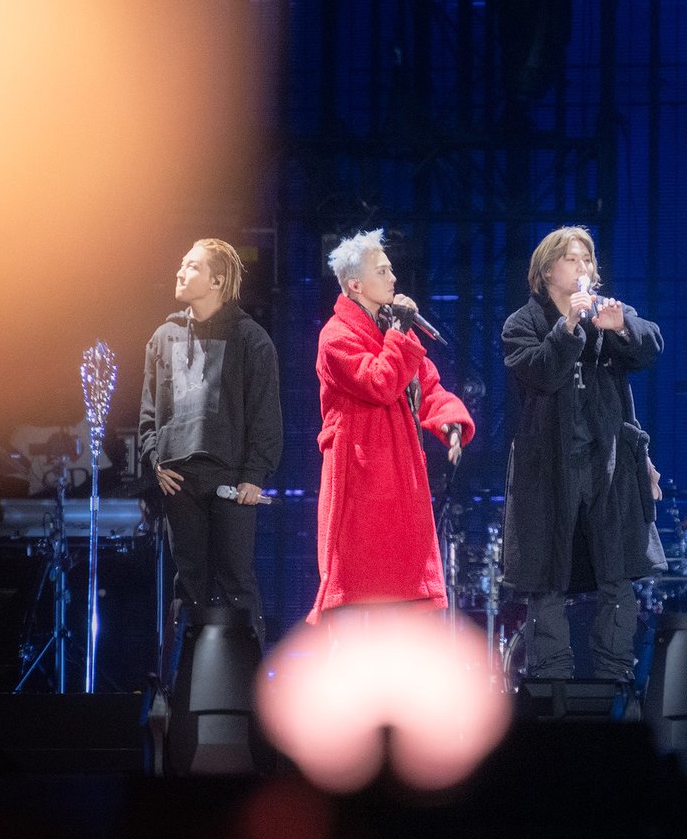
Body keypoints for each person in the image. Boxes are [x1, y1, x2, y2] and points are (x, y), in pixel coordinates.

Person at [500, 225, 664, 687]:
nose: (583, 267)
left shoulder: (607, 312)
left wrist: (622, 327)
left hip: (607, 464)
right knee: (547, 574)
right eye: (572, 259)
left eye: (588, 259)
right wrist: (568, 326)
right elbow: (540, 373)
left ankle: (615, 676)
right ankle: (550, 679)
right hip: (549, 469)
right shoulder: (522, 324)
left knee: (616, 571)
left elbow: (651, 344)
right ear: (547, 271)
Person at [309, 228, 473, 620]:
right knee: (362, 588)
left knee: (405, 592)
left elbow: (425, 384)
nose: (393, 278)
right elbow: (379, 382)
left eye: (391, 269)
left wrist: (449, 421)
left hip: (400, 473)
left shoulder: (390, 328)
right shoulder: (336, 337)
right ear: (355, 284)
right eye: (382, 271)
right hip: (361, 473)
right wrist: (399, 334)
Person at [138, 236, 281, 646]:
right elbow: (148, 410)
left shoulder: (250, 339)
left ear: (217, 281)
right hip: (178, 480)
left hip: (231, 478)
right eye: (182, 264)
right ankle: (189, 678)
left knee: (236, 582)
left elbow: (265, 412)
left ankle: (246, 678)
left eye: (192, 266)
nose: (180, 272)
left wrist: (254, 474)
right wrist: (155, 460)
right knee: (189, 586)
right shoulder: (164, 336)